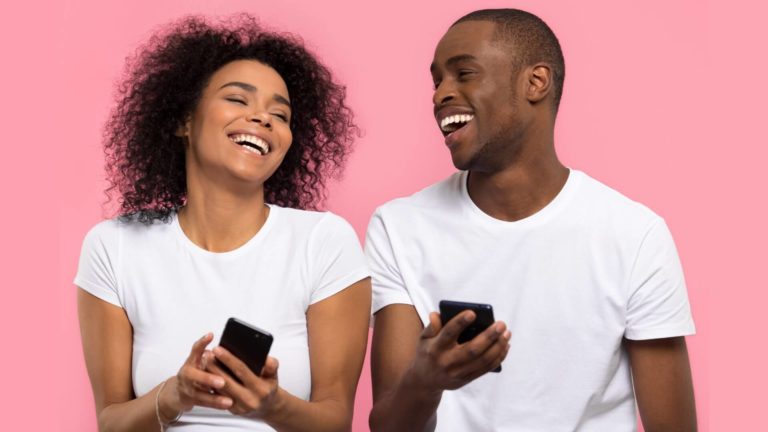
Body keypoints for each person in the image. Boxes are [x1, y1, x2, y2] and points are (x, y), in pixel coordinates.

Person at [366, 8, 697, 432]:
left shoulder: (634, 235)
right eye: (437, 81)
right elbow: (388, 427)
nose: (439, 95)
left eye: (464, 73)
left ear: (535, 83)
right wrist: (427, 382)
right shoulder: (398, 228)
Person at [75, 15, 371, 432]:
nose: (264, 119)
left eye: (280, 115)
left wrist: (272, 406)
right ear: (183, 121)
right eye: (238, 99)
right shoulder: (115, 246)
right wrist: (174, 395)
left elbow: (336, 422)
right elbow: (111, 422)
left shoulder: (324, 241)